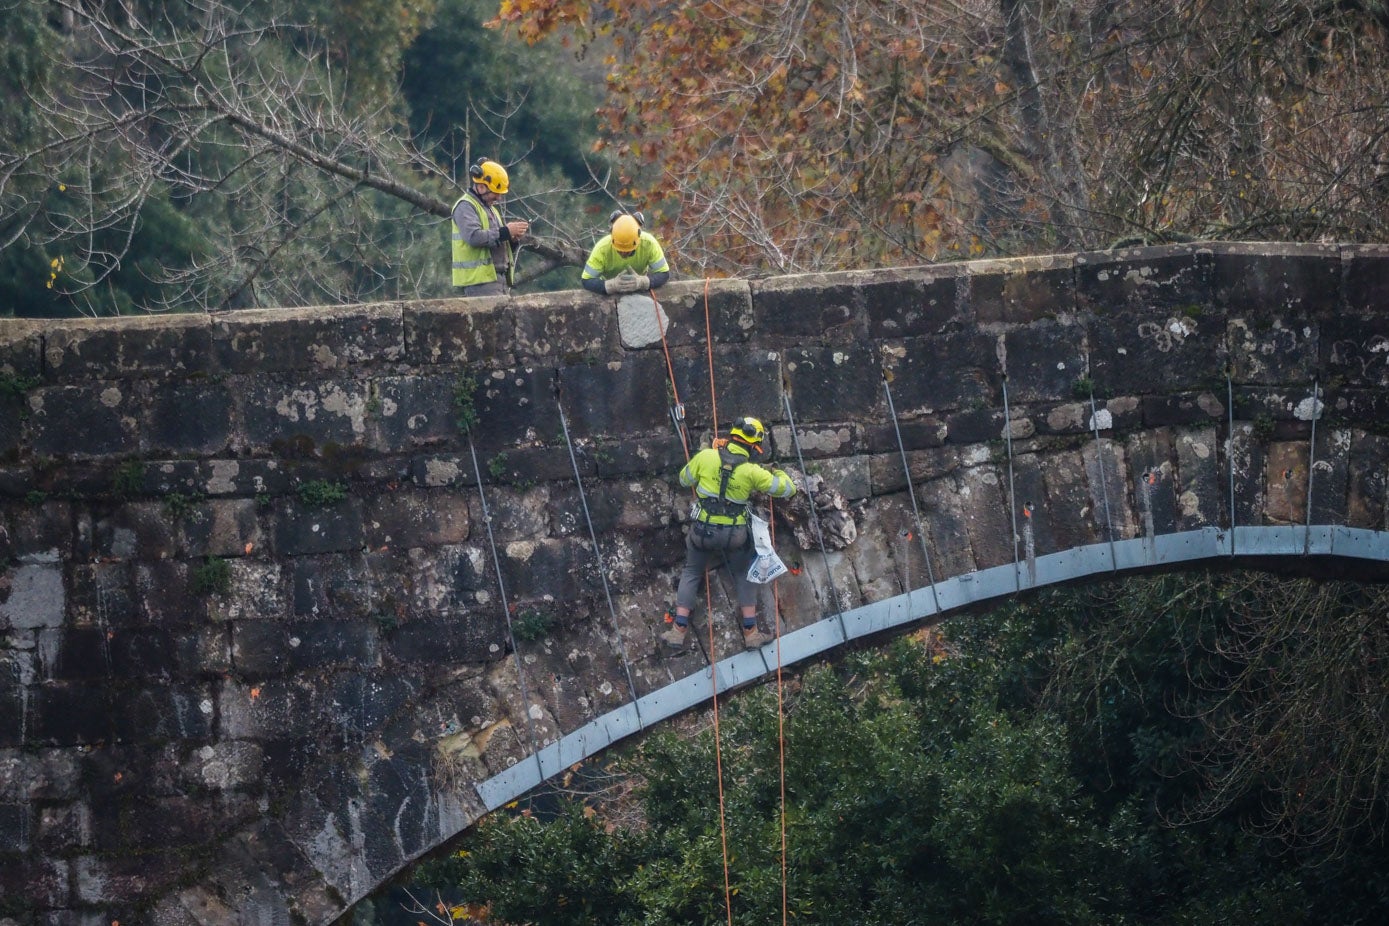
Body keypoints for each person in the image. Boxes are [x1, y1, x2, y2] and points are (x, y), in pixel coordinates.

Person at [660, 416, 797, 651]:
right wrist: (779, 472)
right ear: (753, 446)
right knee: (744, 574)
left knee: (692, 571)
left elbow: (684, 479)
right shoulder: (753, 471)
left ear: (731, 435)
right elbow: (787, 489)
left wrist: (705, 462)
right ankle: (751, 633)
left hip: (702, 531)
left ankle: (678, 631)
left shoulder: (705, 457)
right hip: (735, 535)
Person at [452, 158, 529, 296]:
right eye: (495, 192)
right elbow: (474, 237)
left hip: (497, 280)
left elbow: (497, 242)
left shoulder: (491, 210)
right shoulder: (465, 206)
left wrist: (512, 238)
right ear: (481, 187)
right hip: (480, 283)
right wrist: (506, 232)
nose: (498, 198)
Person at [580, 209, 671, 295]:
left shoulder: (649, 244)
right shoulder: (602, 249)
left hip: (639, 291)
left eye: (628, 251)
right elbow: (586, 280)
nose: (623, 253)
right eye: (619, 250)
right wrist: (611, 285)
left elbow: (664, 273)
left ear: (638, 239)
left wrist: (642, 282)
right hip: (610, 295)